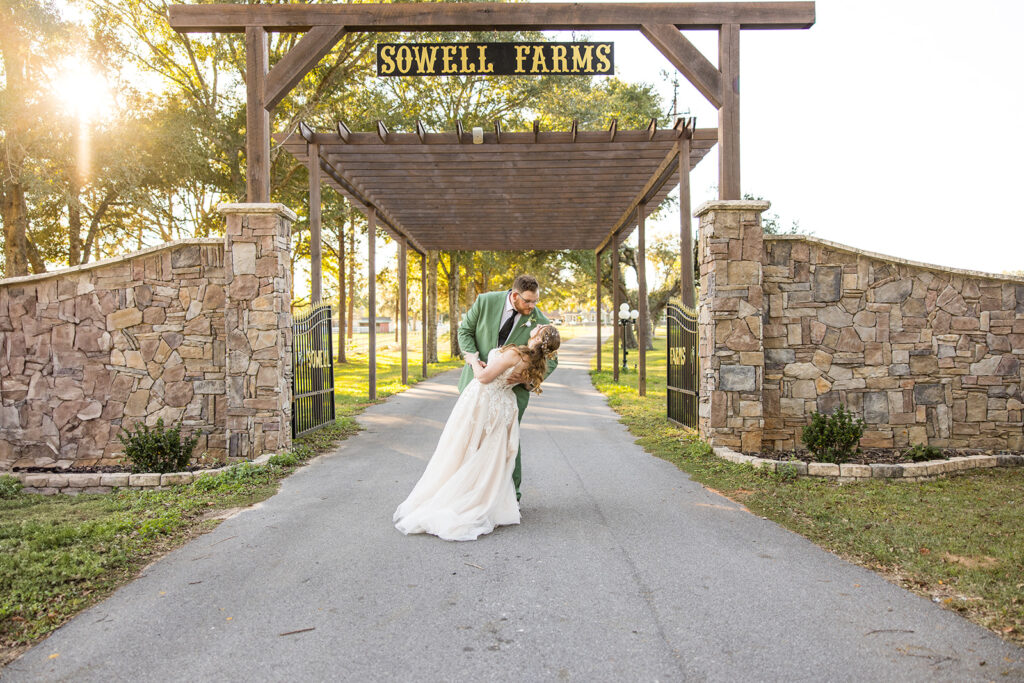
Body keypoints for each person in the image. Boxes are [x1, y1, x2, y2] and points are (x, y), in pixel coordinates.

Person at [393, 323, 561, 541]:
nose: (537, 324)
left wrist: (472, 360)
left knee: (463, 448)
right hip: (502, 405)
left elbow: (483, 378)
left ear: (538, 336)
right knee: (485, 453)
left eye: (541, 327)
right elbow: (526, 382)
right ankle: (477, 495)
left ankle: (457, 498)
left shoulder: (514, 353)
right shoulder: (536, 361)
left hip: (483, 401)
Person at [455, 275, 558, 501]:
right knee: (469, 439)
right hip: (476, 386)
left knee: (507, 442)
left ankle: (511, 495)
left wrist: (527, 380)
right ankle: (467, 490)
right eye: (528, 301)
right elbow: (465, 332)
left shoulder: (539, 323)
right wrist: (473, 358)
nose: (533, 306)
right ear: (514, 296)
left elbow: (552, 360)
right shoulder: (485, 301)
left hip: (510, 395)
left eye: (536, 301)